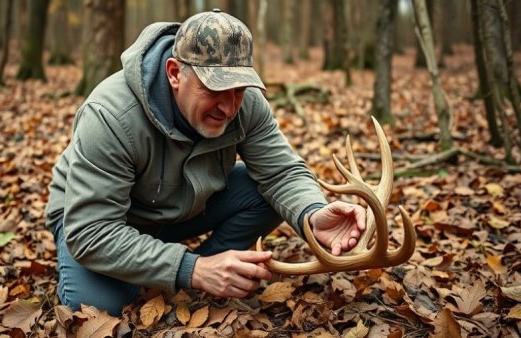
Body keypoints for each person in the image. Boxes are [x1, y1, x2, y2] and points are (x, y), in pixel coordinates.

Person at [45, 9, 366, 316]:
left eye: (238, 89)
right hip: (99, 219)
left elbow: (280, 171)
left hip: (180, 207)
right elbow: (92, 231)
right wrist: (191, 269)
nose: (228, 107)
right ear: (174, 73)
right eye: (215, 87)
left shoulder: (247, 103)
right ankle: (188, 269)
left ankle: (207, 269)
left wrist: (311, 213)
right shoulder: (111, 114)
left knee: (267, 194)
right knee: (98, 306)